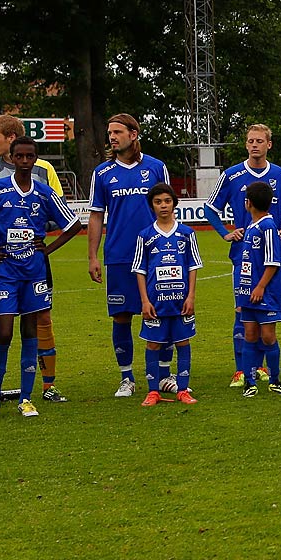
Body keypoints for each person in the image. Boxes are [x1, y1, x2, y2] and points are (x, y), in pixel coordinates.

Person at [0, 137, 83, 420]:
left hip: (33, 271)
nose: (25, 161)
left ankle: (26, 399)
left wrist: (47, 248)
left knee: (30, 331)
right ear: (12, 158)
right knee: (4, 331)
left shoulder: (44, 191)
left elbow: (74, 224)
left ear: (36, 159)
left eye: (30, 156)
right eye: (20, 156)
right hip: (4, 271)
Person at [0, 115, 68, 402]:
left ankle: (48, 386)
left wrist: (35, 234)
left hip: (33, 255)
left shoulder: (44, 169)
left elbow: (57, 209)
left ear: (11, 137)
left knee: (42, 318)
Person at [205, 124, 281, 387]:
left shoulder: (280, 175)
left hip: (272, 256)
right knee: (242, 310)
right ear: (246, 145)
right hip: (242, 256)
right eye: (250, 141)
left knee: (266, 309)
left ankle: (263, 369)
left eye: (259, 141)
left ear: (269, 144)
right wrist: (226, 232)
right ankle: (242, 370)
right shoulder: (232, 175)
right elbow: (210, 209)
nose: (254, 145)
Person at [86, 114, 171, 398]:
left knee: (162, 312)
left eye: (117, 132)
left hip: (157, 255)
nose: (111, 137)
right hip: (120, 255)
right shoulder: (102, 173)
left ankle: (163, 373)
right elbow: (96, 216)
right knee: (121, 316)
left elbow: (169, 208)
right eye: (109, 132)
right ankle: (126, 377)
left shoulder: (157, 167)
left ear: (133, 134)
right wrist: (93, 256)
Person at [132, 182, 202, 406]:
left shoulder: (186, 233)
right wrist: (144, 301)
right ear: (151, 205)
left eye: (167, 201)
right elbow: (140, 270)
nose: (163, 206)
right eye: (158, 202)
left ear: (174, 203)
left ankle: (183, 390)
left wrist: (191, 296)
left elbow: (192, 266)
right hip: (155, 302)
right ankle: (153, 391)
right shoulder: (145, 236)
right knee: (153, 344)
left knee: (183, 342)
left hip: (181, 302)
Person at [235, 180, 281, 396]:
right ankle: (250, 382)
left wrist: (260, 287)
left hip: (265, 293)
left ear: (248, 203)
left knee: (267, 336)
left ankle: (275, 380)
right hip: (248, 293)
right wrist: (243, 294)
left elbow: (273, 262)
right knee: (249, 334)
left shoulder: (268, 226)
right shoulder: (251, 226)